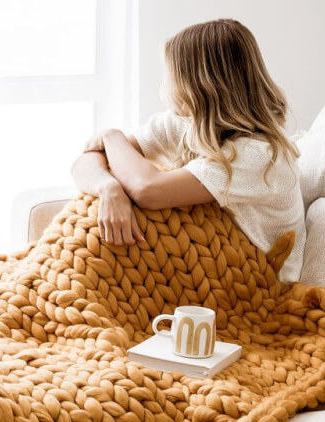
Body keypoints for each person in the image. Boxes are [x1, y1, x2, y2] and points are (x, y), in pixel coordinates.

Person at [70, 18, 306, 282]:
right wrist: (108, 188)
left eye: (168, 74)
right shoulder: (187, 123)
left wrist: (112, 137)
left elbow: (147, 189)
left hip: (255, 283)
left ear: (195, 86)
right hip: (208, 268)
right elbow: (87, 159)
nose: (163, 84)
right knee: (99, 208)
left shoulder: (260, 156)